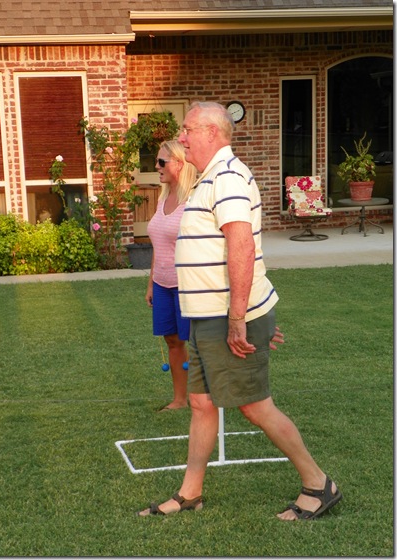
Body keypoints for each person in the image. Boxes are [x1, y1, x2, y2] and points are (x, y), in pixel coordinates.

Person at [138, 102, 342, 520]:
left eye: (188, 129)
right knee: (200, 403)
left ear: (212, 132)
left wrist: (240, 319)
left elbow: (242, 248)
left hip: (225, 318)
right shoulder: (207, 178)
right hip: (204, 317)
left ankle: (318, 484)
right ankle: (190, 493)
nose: (181, 137)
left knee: (254, 406)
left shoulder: (228, 177)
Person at [146, 140, 197, 411]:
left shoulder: (194, 200)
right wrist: (151, 284)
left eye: (161, 162)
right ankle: (180, 399)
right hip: (162, 284)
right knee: (172, 341)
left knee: (198, 343)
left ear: (179, 163)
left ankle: (205, 400)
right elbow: (159, 245)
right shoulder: (162, 197)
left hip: (188, 285)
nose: (156, 166)